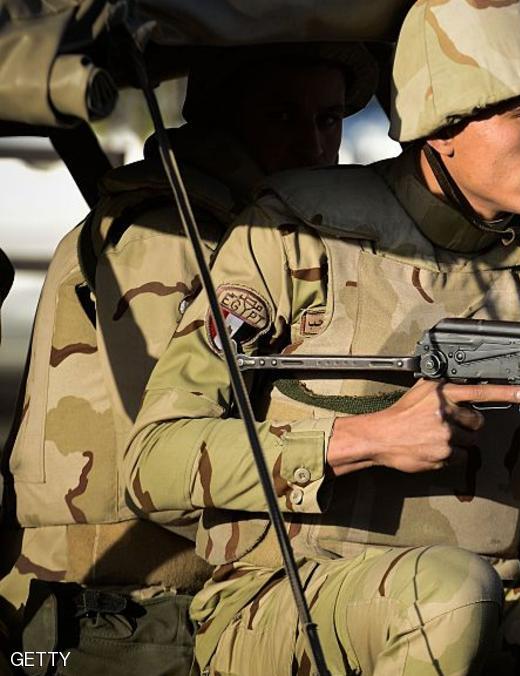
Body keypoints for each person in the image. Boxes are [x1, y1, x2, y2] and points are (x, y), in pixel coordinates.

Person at [125, 1, 520, 674]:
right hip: (278, 602)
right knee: (452, 593)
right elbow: (151, 462)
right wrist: (363, 439)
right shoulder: (295, 235)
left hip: (486, 586)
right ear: (443, 127)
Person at [0, 42, 378, 651]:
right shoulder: (173, 231)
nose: (312, 146)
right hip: (109, 608)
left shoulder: (254, 227)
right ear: (223, 116)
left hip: (171, 600)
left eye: (328, 119)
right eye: (281, 118)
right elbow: (159, 461)